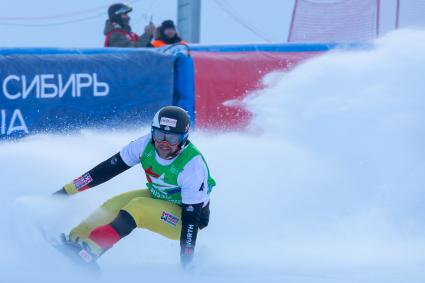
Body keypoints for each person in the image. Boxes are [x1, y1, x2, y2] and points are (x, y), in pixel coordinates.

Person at [54, 106, 216, 268]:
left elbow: (191, 219)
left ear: (184, 138)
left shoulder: (192, 167)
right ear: (153, 132)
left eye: (172, 139)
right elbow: (105, 170)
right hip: (159, 196)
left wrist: (186, 260)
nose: (164, 144)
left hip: (183, 218)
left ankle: (91, 250)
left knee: (137, 207)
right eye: (160, 135)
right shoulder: (144, 145)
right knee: (113, 205)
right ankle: (76, 239)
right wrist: (66, 191)